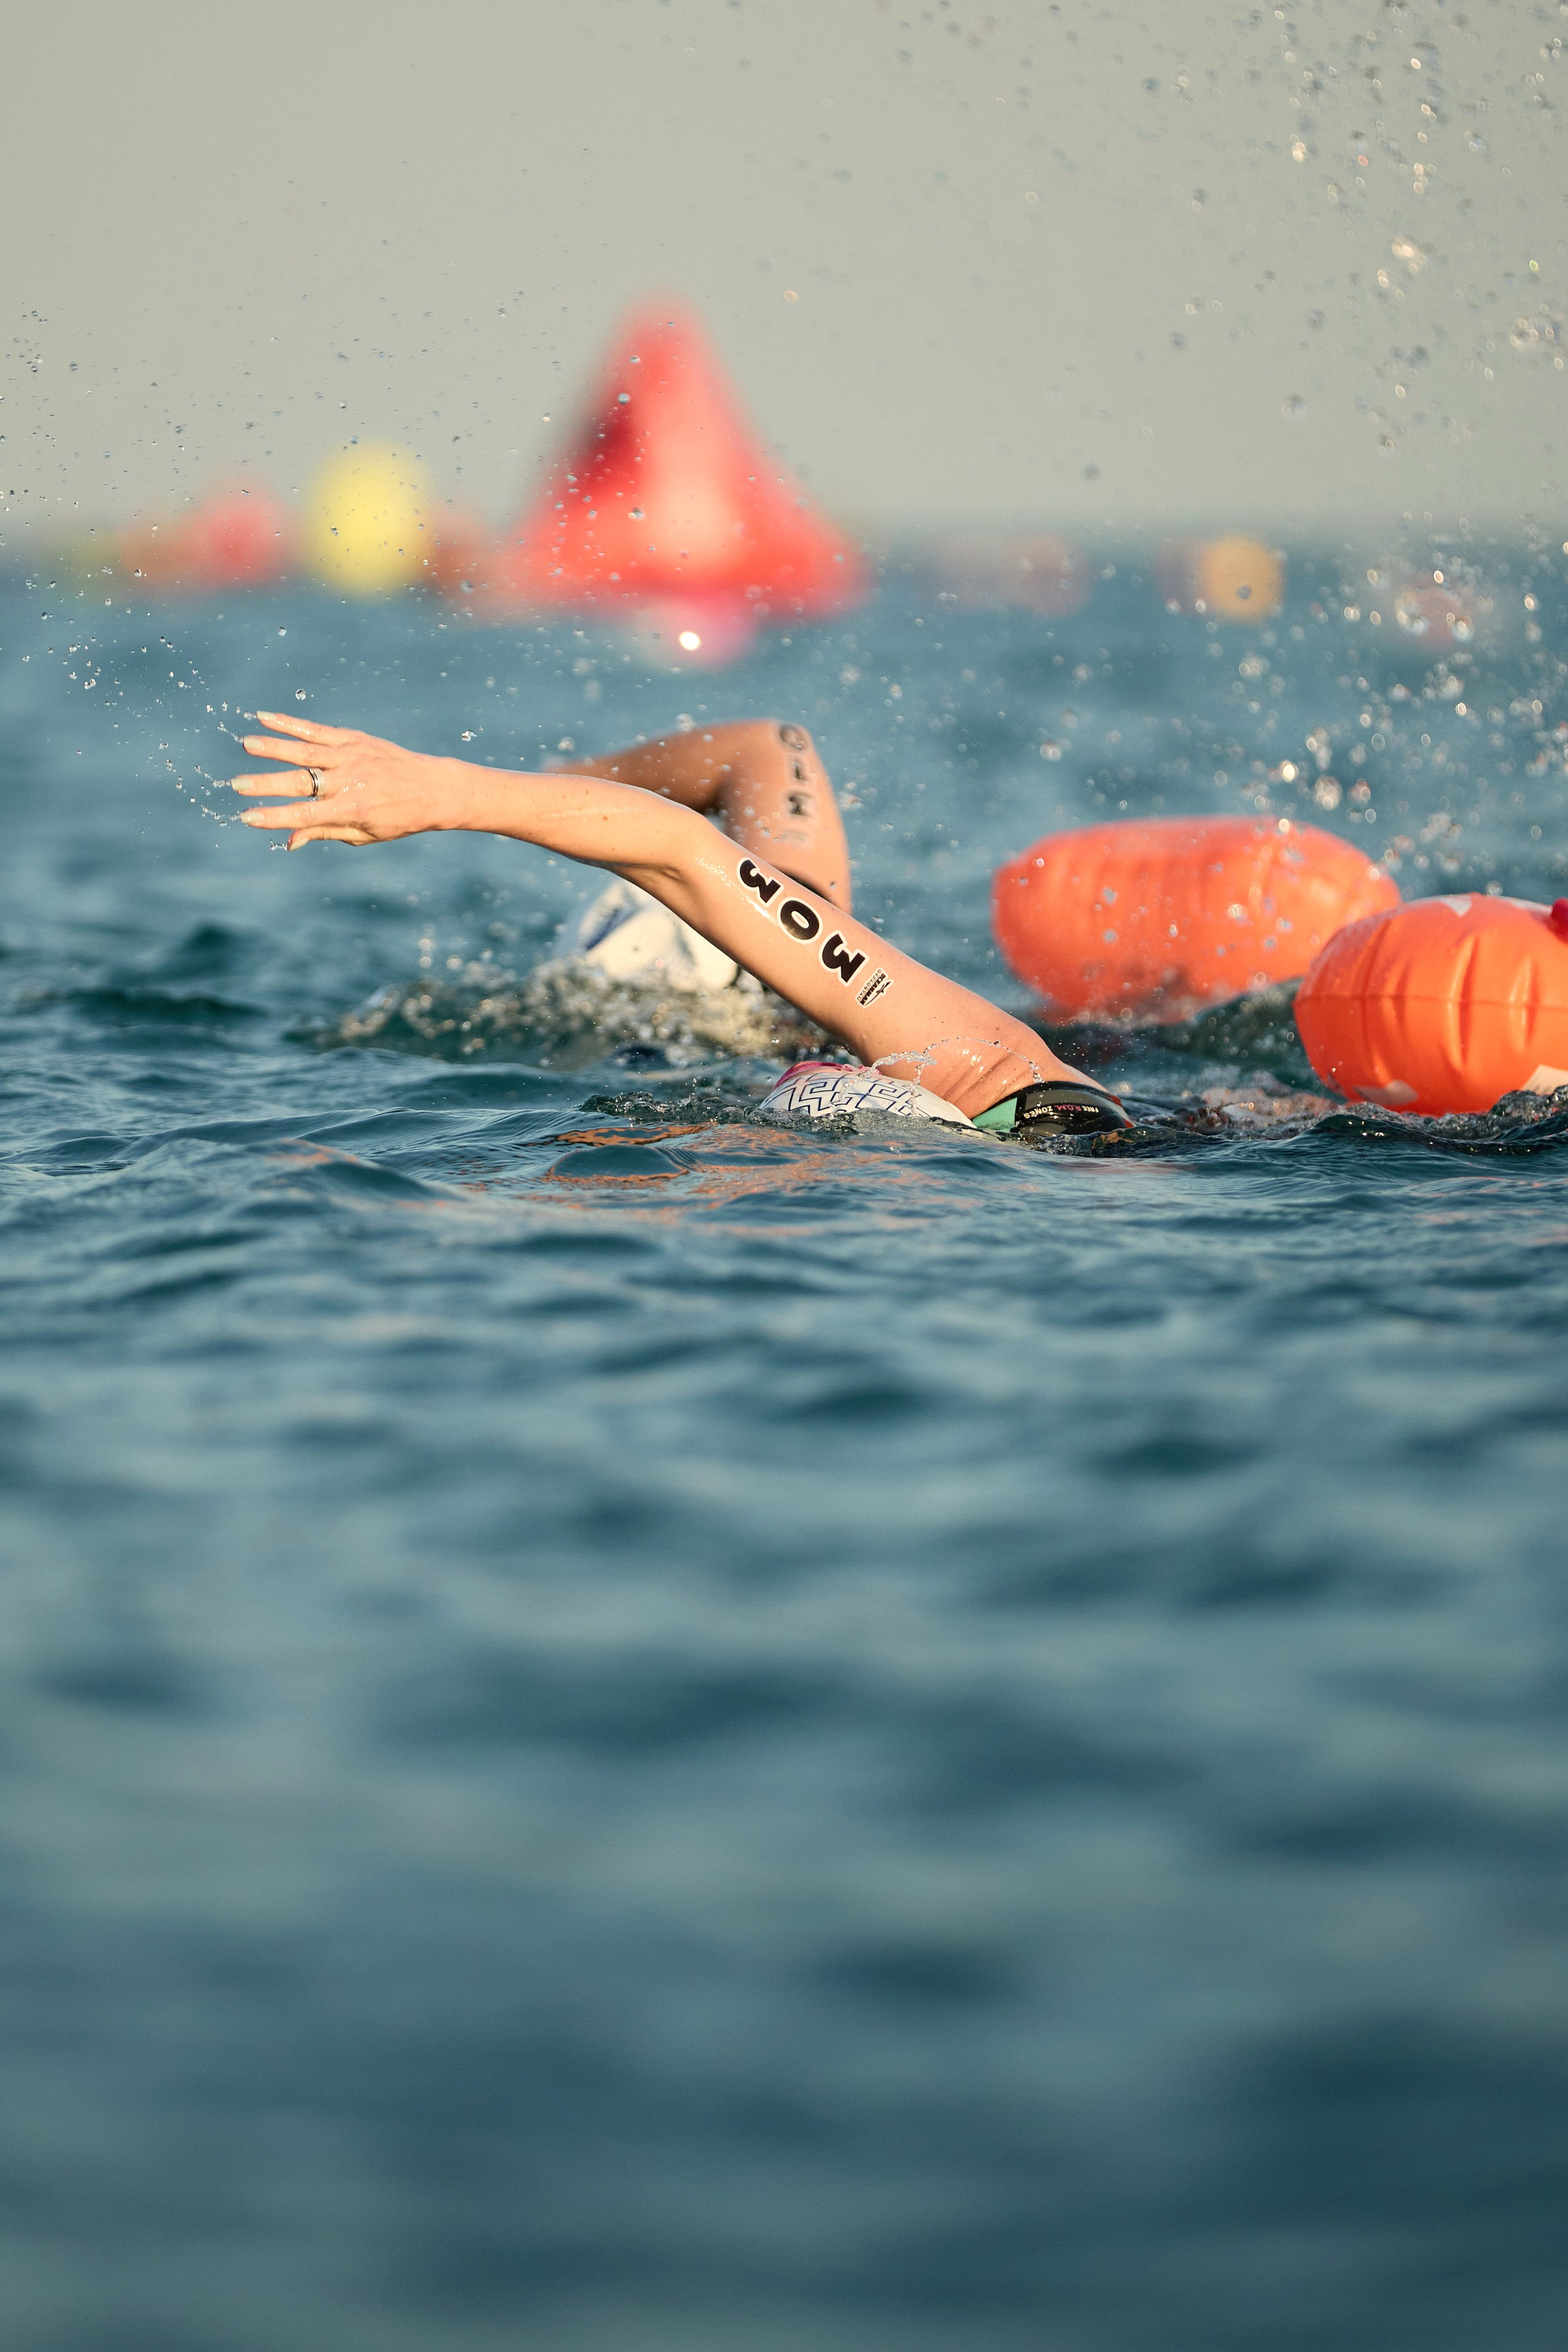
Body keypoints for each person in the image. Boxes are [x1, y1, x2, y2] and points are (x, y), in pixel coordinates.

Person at [228, 710, 1129, 1136]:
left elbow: (704, 826)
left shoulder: (983, 1070)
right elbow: (702, 829)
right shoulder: (967, 1051)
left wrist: (454, 790)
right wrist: (478, 786)